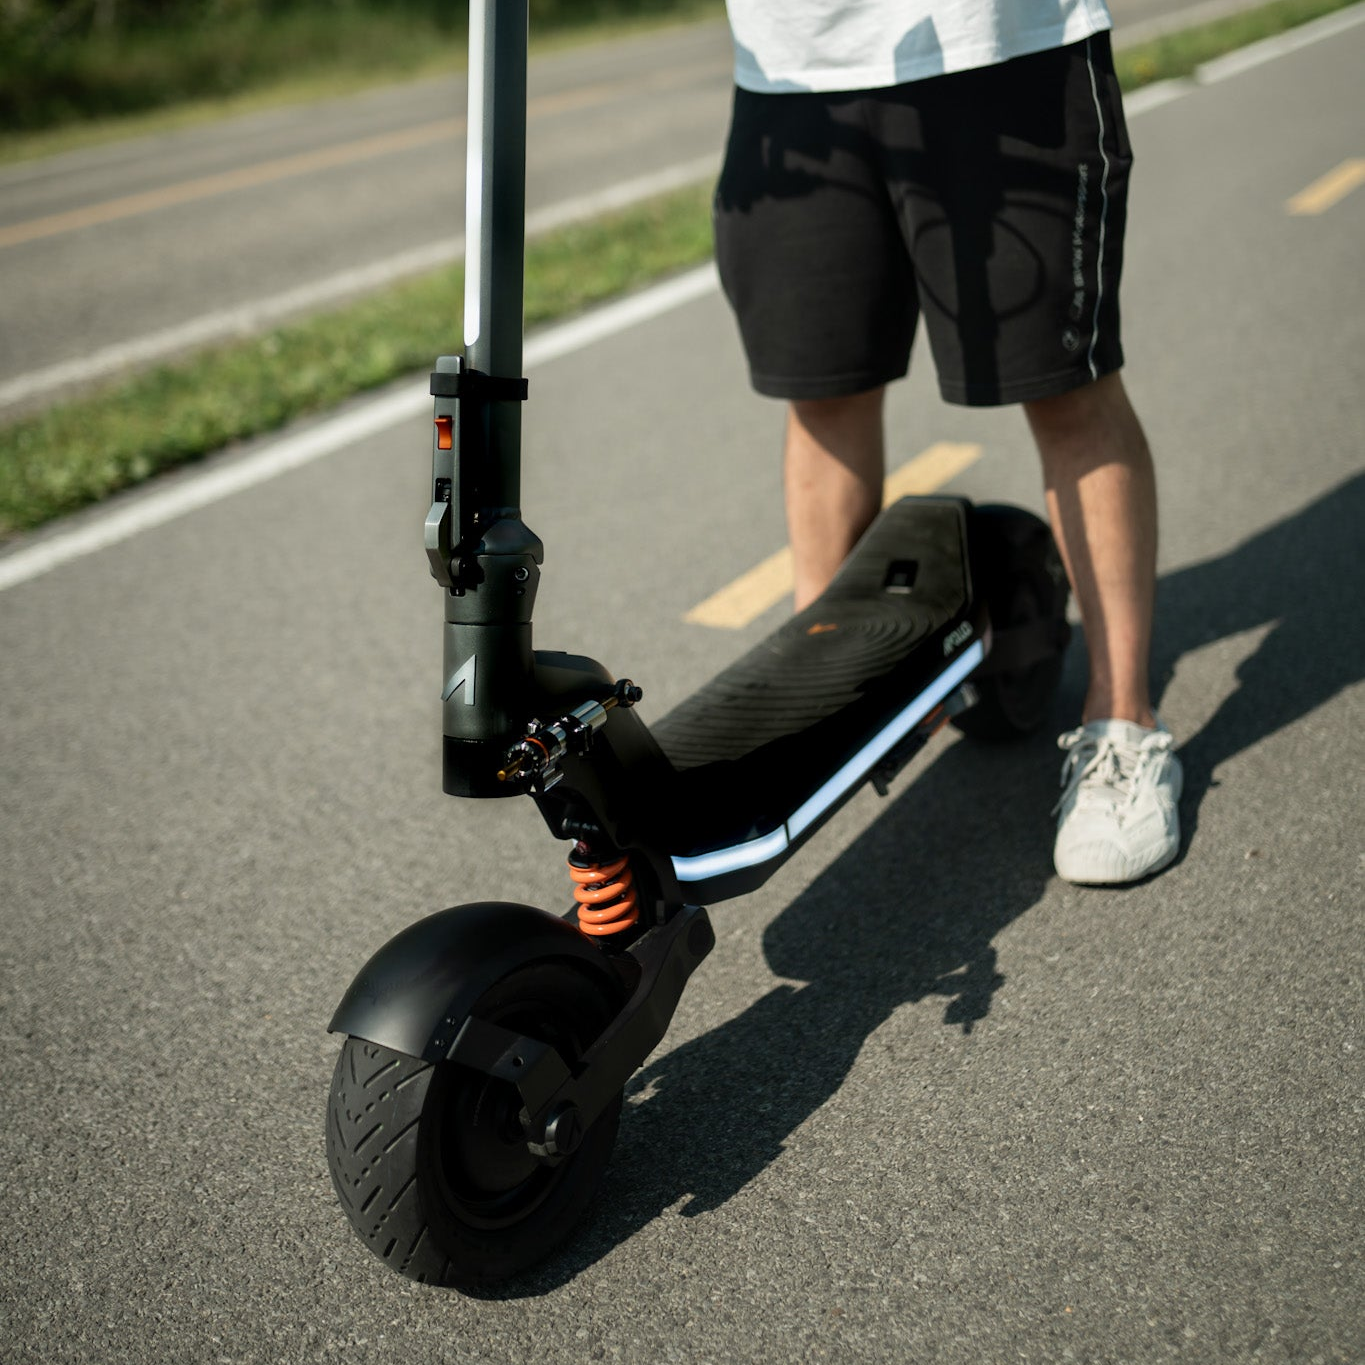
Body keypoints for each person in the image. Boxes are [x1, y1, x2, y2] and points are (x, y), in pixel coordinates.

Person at [713, 0, 1181, 884]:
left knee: (1066, 387)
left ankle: (1124, 721)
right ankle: (831, 697)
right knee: (823, 391)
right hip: (789, 73)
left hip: (998, 52)